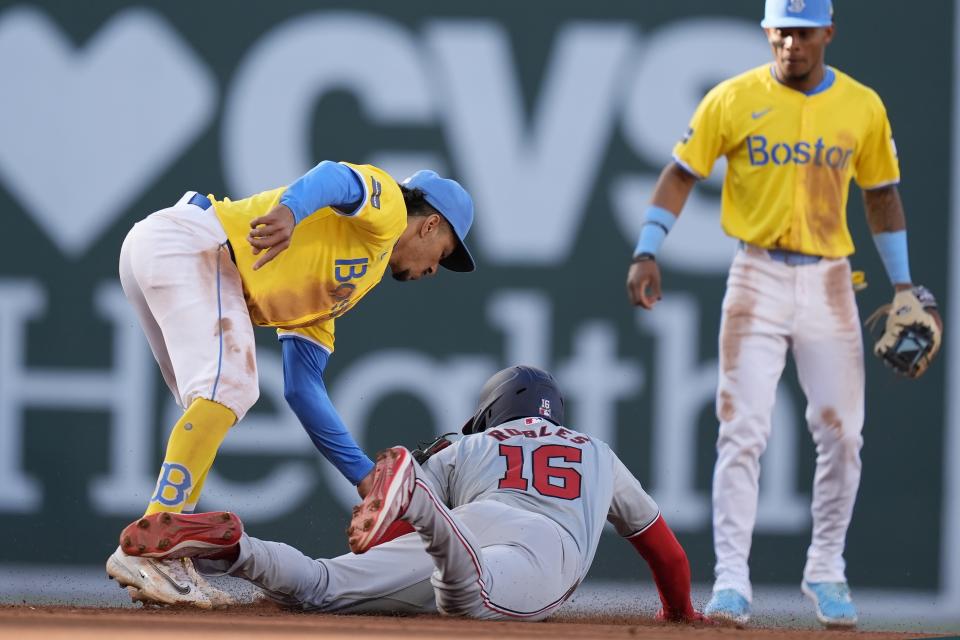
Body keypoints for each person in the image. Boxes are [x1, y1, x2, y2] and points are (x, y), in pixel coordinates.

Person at [625, 0, 932, 629]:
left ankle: (826, 569)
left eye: (803, 31)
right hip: (756, 274)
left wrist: (902, 285)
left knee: (843, 433)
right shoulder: (732, 99)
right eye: (781, 31)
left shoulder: (861, 105)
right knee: (742, 429)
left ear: (828, 32)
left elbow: (882, 194)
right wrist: (648, 246)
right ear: (768, 32)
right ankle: (732, 580)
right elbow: (681, 174)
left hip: (829, 279)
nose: (791, 43)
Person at [106, 160, 476, 607]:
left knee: (210, 410)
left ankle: (164, 549)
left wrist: (365, 480)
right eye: (445, 250)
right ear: (430, 223)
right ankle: (151, 551)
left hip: (170, 252)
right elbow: (335, 177)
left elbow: (303, 389)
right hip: (195, 244)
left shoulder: (349, 283)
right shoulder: (391, 207)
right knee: (228, 390)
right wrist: (290, 211)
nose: (438, 267)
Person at [117, 365, 709, 624]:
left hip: (470, 520)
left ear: (494, 412)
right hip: (540, 548)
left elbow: (389, 537)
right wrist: (678, 614)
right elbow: (668, 555)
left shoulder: (467, 448)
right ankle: (420, 500)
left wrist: (386, 547)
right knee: (468, 606)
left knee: (322, 586)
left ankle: (236, 550)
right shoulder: (596, 452)